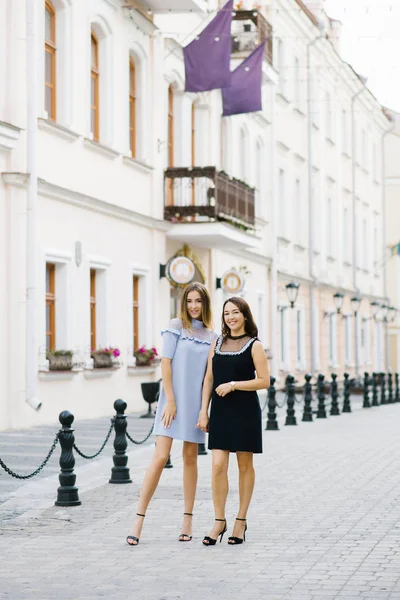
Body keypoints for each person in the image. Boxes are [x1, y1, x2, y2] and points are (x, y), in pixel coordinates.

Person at [127, 282, 217, 546]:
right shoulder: (175, 327)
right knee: (160, 457)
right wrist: (170, 401)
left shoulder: (212, 337)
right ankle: (138, 520)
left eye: (198, 301)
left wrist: (204, 410)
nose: (193, 306)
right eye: (189, 301)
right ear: (183, 303)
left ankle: (187, 520)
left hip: (195, 404)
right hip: (172, 403)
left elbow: (208, 377)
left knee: (190, 458)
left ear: (205, 303)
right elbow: (165, 364)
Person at [197, 296, 270, 546]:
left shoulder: (254, 345)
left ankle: (240, 520)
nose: (231, 317)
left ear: (245, 315)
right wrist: (203, 411)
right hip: (220, 411)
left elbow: (264, 381)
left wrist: (234, 385)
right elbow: (209, 378)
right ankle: (219, 521)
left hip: (245, 410)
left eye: (236, 312)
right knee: (218, 465)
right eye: (227, 313)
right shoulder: (216, 343)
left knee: (244, 466)